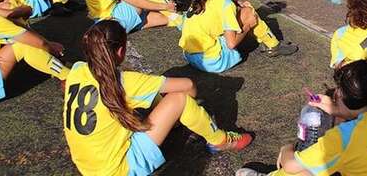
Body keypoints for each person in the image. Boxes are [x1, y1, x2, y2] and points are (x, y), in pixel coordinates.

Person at [64, 21, 253, 176]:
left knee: (153, 97)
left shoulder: (77, 70)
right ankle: (220, 140)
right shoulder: (125, 82)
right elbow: (188, 86)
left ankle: (176, 120)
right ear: (121, 51)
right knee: (180, 99)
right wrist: (186, 106)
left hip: (86, 165)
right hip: (120, 169)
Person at [235, 61, 367, 176]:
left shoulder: (346, 136)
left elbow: (290, 165)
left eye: (338, 94)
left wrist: (286, 148)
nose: (335, 95)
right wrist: (336, 109)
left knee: (303, 172)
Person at [179, 0, 298, 73]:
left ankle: (270, 42)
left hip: (189, 55)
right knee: (249, 13)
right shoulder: (226, 5)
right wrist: (248, 25)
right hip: (211, 62)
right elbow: (231, 44)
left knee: (242, 11)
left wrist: (235, 3)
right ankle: (273, 45)